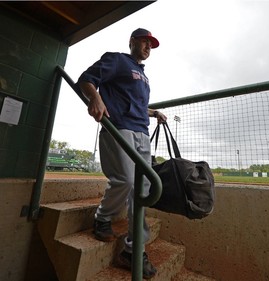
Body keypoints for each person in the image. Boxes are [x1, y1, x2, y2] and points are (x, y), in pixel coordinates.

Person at [77, 28, 167, 279]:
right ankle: (102, 217)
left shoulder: (144, 76)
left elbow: (136, 103)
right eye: (144, 42)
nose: (148, 46)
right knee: (126, 181)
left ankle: (132, 250)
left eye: (151, 44)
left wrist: (154, 112)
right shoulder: (117, 60)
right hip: (119, 128)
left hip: (142, 131)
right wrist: (95, 98)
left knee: (144, 190)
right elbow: (86, 78)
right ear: (132, 42)